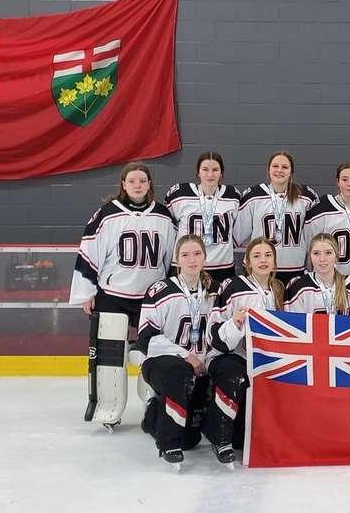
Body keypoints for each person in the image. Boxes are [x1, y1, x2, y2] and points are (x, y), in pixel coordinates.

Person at [68, 162, 177, 430]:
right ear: (123, 184)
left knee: (155, 351)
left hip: (151, 299)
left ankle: (154, 401)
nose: (138, 185)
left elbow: (173, 257)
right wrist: (87, 292)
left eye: (142, 180)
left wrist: (174, 294)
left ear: (149, 184)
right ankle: (109, 407)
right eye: (132, 181)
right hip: (113, 296)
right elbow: (89, 251)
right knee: (109, 357)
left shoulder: (164, 216)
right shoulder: (107, 214)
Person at [134, 234, 215, 468]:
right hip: (163, 363)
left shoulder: (214, 291)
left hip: (200, 366)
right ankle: (168, 443)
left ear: (205, 258)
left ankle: (154, 414)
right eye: (185, 255)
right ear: (177, 260)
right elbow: (146, 338)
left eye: (197, 254)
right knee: (179, 372)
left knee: (190, 439)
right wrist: (185, 355)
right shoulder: (160, 290)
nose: (192, 260)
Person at [205, 238, 285, 463]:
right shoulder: (233, 286)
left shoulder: (279, 290)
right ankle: (219, 438)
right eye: (257, 256)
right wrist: (235, 323)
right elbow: (214, 335)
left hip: (263, 358)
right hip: (230, 355)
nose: (263, 260)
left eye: (268, 255)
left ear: (274, 262)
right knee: (234, 376)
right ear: (247, 262)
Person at [236, 152, 319, 285]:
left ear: (291, 171)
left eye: (285, 167)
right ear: (268, 170)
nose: (279, 170)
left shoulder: (306, 197)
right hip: (260, 270)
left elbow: (312, 237)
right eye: (275, 166)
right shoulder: (253, 196)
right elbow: (237, 235)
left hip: (294, 270)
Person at [164, 152, 242, 288]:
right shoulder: (180, 195)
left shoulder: (233, 196)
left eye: (215, 170)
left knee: (220, 306)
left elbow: (237, 229)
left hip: (221, 267)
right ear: (198, 172)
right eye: (205, 169)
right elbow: (168, 227)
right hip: (186, 265)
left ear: (221, 173)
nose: (210, 175)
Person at [303, 163, 350, 283]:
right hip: (332, 279)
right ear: (338, 182)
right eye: (345, 179)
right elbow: (309, 243)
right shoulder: (322, 209)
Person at [284, 233, 350, 314]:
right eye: (316, 253)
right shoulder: (298, 287)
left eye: (328, 253)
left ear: (336, 256)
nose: (322, 259)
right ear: (310, 257)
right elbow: (293, 323)